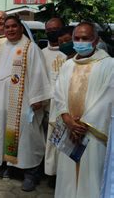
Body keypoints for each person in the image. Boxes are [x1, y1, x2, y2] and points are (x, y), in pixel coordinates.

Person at [0, 15, 51, 192]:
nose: (10, 30)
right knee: (7, 134)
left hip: (24, 102)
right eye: (7, 27)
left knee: (27, 137)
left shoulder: (30, 48)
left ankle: (31, 173)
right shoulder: (2, 48)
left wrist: (38, 98)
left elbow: (39, 74)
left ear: (21, 28)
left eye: (13, 26)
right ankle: (11, 165)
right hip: (4, 100)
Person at [54, 22, 114, 198]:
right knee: (67, 176)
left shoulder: (109, 65)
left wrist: (83, 124)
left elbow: (109, 97)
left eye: (85, 38)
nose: (80, 42)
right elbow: (58, 94)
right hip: (69, 130)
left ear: (95, 41)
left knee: (92, 175)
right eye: (77, 38)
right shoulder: (67, 65)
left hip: (93, 132)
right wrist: (67, 119)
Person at [41, 17, 67, 182]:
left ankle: (61, 173)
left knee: (61, 141)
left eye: (55, 29)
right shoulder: (41, 53)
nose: (52, 32)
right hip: (45, 105)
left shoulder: (70, 52)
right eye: (49, 30)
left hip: (64, 107)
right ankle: (48, 172)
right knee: (47, 141)